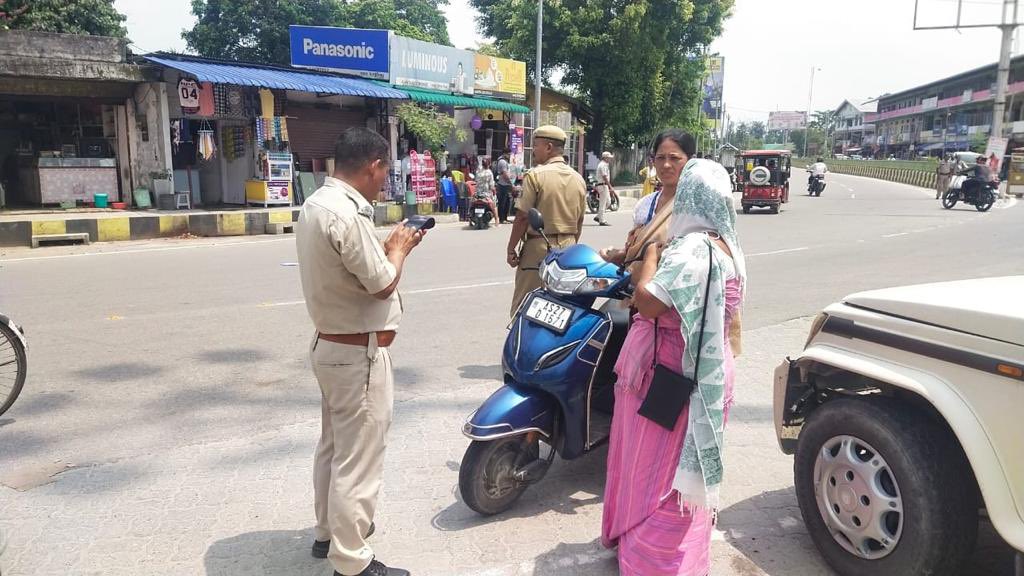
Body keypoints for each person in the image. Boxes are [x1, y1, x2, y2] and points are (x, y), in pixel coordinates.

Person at [602, 158, 746, 576]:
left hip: (671, 375)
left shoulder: (691, 250)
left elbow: (648, 302)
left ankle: (656, 562)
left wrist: (649, 257)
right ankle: (684, 557)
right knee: (688, 467)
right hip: (710, 374)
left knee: (654, 470)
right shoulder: (728, 246)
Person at [296, 128, 425, 576]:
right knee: (358, 458)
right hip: (358, 356)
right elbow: (382, 283)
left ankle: (327, 533)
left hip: (332, 346)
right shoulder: (348, 214)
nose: (385, 179)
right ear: (373, 165)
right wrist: (399, 249)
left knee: (334, 447)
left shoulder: (318, 203)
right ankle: (351, 561)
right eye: (385, 170)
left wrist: (383, 247)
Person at [507, 125, 587, 316]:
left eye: (536, 146)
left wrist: (511, 248)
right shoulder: (578, 179)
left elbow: (522, 217)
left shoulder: (535, 175)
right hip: (569, 249)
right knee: (561, 309)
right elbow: (579, 223)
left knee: (524, 308)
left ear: (549, 147)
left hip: (539, 249)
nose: (533, 150)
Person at [601, 129, 695, 270]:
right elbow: (635, 250)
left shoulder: (696, 206)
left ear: (691, 162)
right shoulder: (645, 205)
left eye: (674, 158)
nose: (666, 165)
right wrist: (619, 255)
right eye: (660, 158)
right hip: (635, 288)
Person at [474, 157, 500, 224]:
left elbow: (476, 181)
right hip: (486, 194)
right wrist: (494, 191)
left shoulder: (478, 171)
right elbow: (491, 186)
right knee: (495, 203)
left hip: (477, 193)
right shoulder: (489, 173)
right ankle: (496, 220)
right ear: (489, 164)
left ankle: (470, 220)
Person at [495, 149, 514, 224]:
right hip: (503, 185)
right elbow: (504, 174)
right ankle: (502, 219)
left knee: (507, 202)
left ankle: (505, 218)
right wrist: (511, 183)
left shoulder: (504, 161)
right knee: (503, 202)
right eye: (509, 154)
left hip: (505, 184)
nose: (509, 156)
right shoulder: (502, 162)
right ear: (505, 154)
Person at [596, 151, 614, 226]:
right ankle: (601, 220)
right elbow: (604, 177)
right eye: (609, 158)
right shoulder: (602, 165)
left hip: (604, 185)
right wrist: (610, 186)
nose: (610, 159)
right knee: (603, 203)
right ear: (605, 158)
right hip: (602, 185)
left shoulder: (605, 165)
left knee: (608, 202)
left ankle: (598, 216)